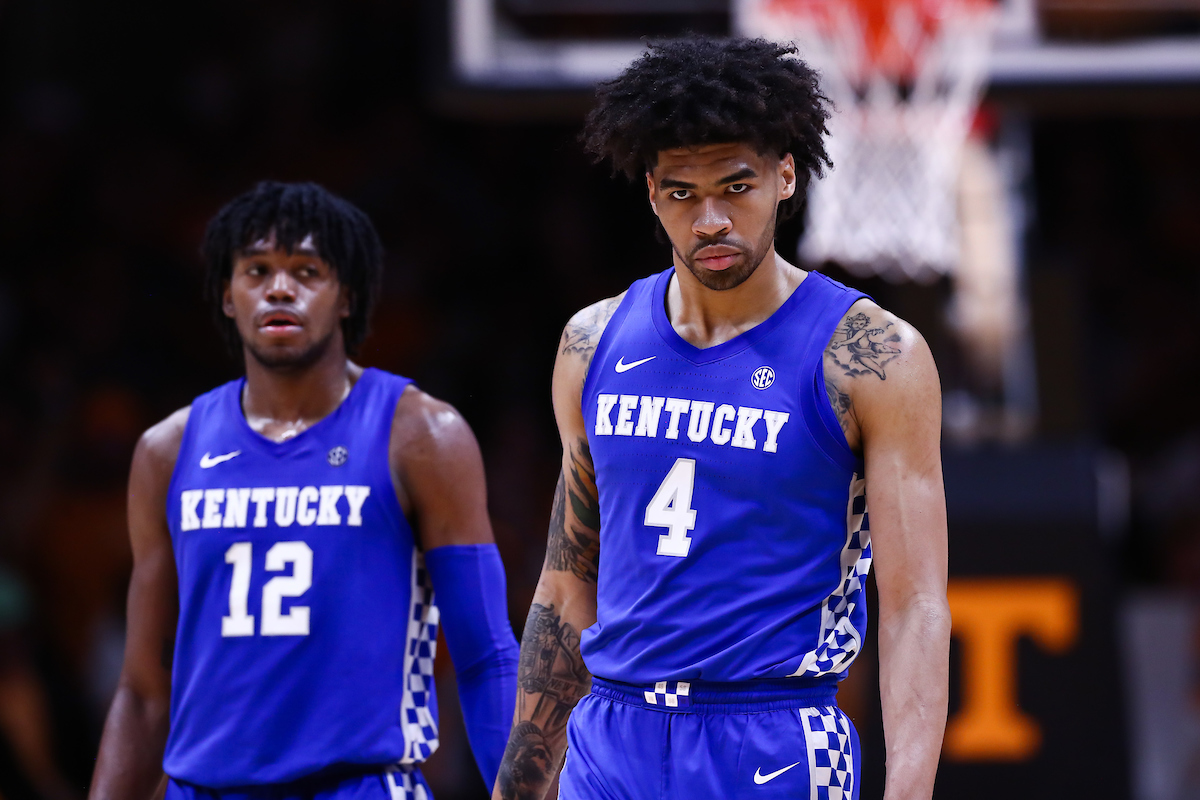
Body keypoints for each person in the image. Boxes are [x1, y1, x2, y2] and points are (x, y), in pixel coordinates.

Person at [493, 38, 950, 800]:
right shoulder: (591, 343)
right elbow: (567, 585)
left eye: (736, 187)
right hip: (610, 741)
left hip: (771, 739)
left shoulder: (870, 357)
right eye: (682, 193)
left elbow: (914, 606)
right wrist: (518, 787)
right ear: (651, 193)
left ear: (785, 176)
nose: (710, 220)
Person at [89, 181, 519, 800]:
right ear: (228, 295)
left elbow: (486, 657)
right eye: (257, 270)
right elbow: (142, 691)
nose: (279, 288)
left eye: (307, 271)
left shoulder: (421, 436)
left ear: (348, 295)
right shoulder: (167, 451)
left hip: (357, 786)